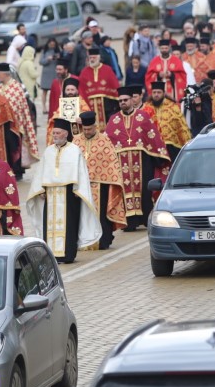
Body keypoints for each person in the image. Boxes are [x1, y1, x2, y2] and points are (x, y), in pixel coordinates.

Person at [25, 118, 101, 264]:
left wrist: (77, 189)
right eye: (53, 133)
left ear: (66, 134)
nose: (55, 136)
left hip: (69, 195)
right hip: (50, 195)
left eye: (58, 133)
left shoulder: (74, 151)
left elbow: (81, 174)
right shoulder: (48, 151)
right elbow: (40, 173)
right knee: (50, 225)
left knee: (69, 226)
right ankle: (51, 254)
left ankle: (68, 254)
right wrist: (40, 189)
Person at [105, 86, 170, 230]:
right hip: (121, 163)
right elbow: (107, 142)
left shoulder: (143, 117)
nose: (123, 102)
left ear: (132, 100)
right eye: (120, 100)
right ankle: (130, 222)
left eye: (125, 100)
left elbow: (154, 138)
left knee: (144, 191)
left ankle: (146, 218)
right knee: (125, 191)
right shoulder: (113, 120)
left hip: (143, 162)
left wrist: (160, 157)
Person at [71, 111, 126, 250]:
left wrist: (112, 180)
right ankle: (83, 241)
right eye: (85, 129)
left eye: (90, 129)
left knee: (100, 216)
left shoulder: (104, 140)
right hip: (81, 186)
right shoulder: (76, 140)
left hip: (100, 185)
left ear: (95, 126)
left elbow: (112, 162)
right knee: (82, 215)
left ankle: (102, 241)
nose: (87, 132)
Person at [0, 62, 39, 165]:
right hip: (2, 124)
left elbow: (19, 106)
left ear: (5, 74)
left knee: (15, 146)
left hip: (16, 124)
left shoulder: (16, 87)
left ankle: (18, 170)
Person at [145, 81, 191, 160]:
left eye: (159, 92)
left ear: (164, 93)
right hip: (151, 147)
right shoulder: (146, 108)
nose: (156, 95)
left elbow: (182, 127)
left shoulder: (173, 107)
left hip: (171, 148)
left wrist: (188, 145)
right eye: (154, 92)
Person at [79, 46, 121, 122]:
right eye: (90, 58)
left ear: (98, 58)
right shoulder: (84, 72)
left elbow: (114, 84)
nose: (92, 59)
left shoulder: (107, 69)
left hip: (106, 103)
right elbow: (81, 88)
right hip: (89, 104)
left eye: (94, 57)